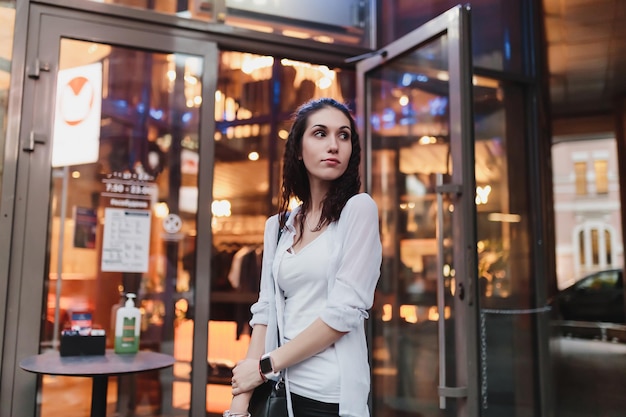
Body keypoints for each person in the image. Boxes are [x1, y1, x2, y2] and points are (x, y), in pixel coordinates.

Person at [225, 97, 382, 417]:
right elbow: (265, 313)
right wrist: (238, 405)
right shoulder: (278, 226)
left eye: (344, 135)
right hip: (281, 392)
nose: (334, 145)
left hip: (331, 396)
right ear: (298, 148)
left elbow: (343, 314)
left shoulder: (358, 209)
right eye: (321, 133)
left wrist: (265, 365)